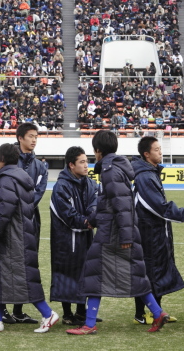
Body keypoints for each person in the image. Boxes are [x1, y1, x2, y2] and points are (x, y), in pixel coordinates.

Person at [67, 130, 170, 335]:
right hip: (115, 229)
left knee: (93, 274)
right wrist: (92, 220)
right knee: (134, 274)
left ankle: (89, 324)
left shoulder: (110, 170)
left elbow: (122, 205)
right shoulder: (114, 168)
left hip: (112, 233)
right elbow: (109, 202)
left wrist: (125, 236)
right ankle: (158, 313)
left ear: (98, 150)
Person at [0, 143, 59, 333]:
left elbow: (4, 211)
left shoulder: (6, 179)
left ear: (1, 159)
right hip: (20, 233)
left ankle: (48, 313)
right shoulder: (22, 178)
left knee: (22, 277)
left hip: (12, 237)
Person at [131, 136, 184, 324]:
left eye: (160, 149)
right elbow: (158, 207)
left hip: (157, 232)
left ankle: (157, 311)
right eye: (156, 149)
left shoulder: (151, 173)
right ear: (146, 154)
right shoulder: (145, 176)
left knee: (158, 272)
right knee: (149, 273)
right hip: (149, 233)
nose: (160, 152)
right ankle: (141, 313)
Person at [0, 122, 47, 324]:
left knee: (26, 263)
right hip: (7, 220)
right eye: (31, 136)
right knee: (4, 262)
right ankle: (3, 310)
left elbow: (37, 195)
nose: (34, 140)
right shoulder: (6, 161)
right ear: (20, 138)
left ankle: (18, 309)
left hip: (30, 220)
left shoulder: (40, 166)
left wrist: (21, 208)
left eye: (36, 136)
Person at [49, 146, 99, 326]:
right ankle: (67, 313)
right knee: (66, 273)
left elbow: (95, 203)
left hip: (86, 237)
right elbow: (66, 214)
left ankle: (80, 311)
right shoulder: (61, 187)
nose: (86, 165)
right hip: (65, 240)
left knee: (86, 273)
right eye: (82, 162)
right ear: (71, 165)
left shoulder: (90, 183)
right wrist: (87, 222)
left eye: (87, 161)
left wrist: (92, 218)